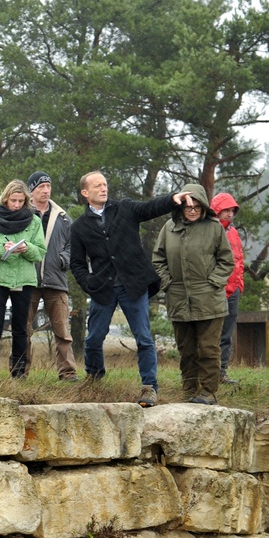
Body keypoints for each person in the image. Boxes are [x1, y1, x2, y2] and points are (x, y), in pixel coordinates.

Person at [70, 170, 192, 407]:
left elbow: (149, 208)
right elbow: (76, 263)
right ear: (85, 193)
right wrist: (88, 283)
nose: (103, 188)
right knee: (93, 340)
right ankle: (94, 381)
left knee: (144, 338)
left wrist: (171, 198)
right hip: (103, 289)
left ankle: (149, 387)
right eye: (97, 186)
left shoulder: (124, 208)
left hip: (133, 285)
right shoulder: (79, 227)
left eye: (105, 184)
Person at [152, 185, 234, 405]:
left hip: (209, 298)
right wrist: (168, 283)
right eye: (188, 206)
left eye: (197, 206)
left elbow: (227, 260)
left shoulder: (214, 228)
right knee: (186, 350)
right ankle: (189, 390)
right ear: (180, 206)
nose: (192, 210)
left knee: (208, 348)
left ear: (203, 206)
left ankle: (209, 392)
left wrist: (213, 283)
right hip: (178, 297)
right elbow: (158, 259)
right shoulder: (168, 228)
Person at [0, 179, 47, 378]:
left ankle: (18, 372)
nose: (16, 205)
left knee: (20, 327)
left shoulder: (34, 221)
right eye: (13, 200)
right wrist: (2, 249)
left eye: (20, 201)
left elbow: (40, 252)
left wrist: (27, 249)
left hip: (24, 278)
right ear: (5, 199)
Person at [24, 171, 78, 380]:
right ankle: (20, 372)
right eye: (41, 187)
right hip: (27, 279)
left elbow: (73, 246)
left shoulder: (63, 218)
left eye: (48, 187)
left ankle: (68, 373)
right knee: (23, 330)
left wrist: (63, 259)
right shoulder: (23, 213)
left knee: (63, 331)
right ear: (32, 190)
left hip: (56, 279)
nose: (46, 191)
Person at [210, 192, 245, 384]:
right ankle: (205, 374)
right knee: (210, 334)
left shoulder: (233, 231)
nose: (230, 214)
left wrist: (239, 284)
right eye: (226, 210)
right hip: (215, 290)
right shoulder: (208, 230)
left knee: (226, 335)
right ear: (217, 209)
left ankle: (221, 372)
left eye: (232, 210)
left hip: (233, 290)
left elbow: (239, 260)